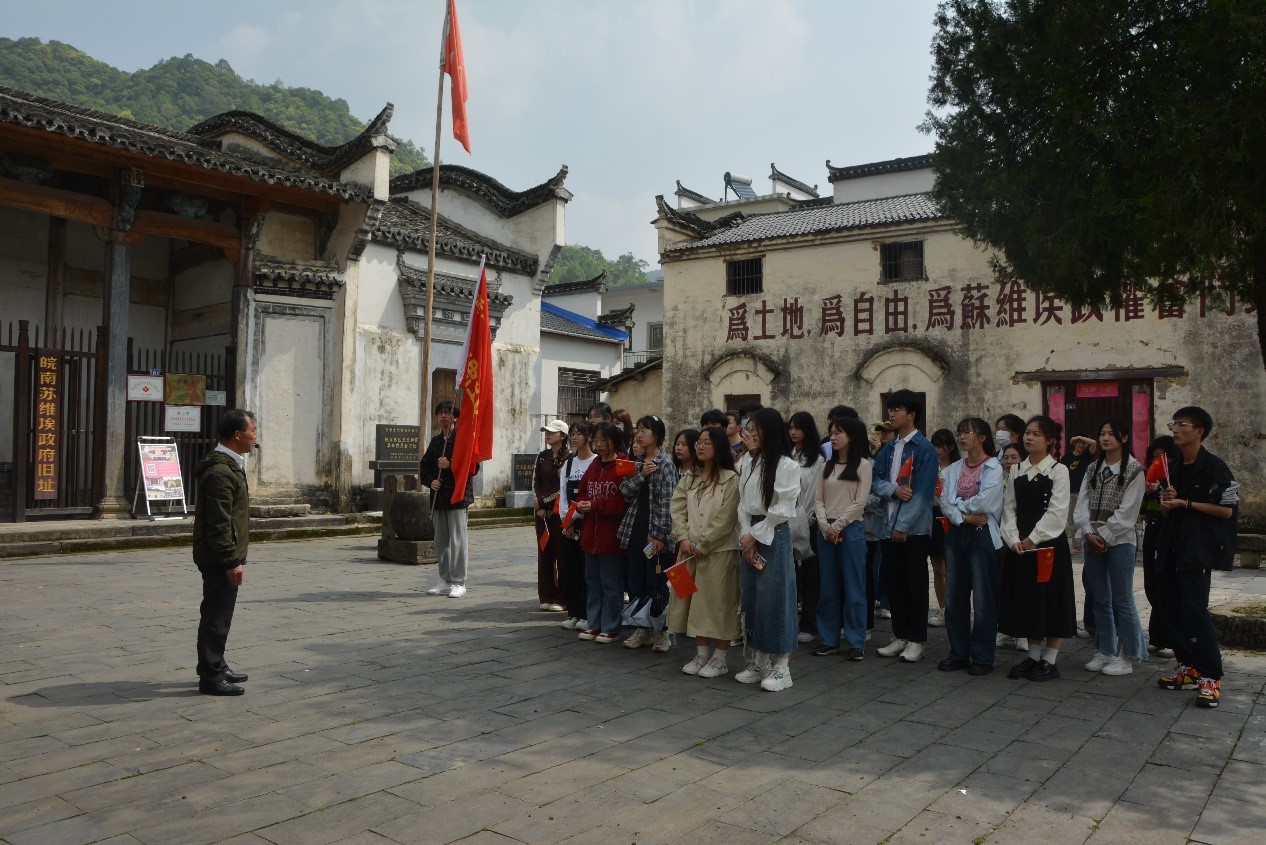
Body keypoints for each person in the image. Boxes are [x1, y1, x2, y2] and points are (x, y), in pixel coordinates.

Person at [1154, 407, 1238, 709]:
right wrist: (1167, 501)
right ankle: (1188, 667)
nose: (1175, 429)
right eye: (1173, 424)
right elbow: (1166, 509)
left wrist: (1187, 503)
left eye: (1182, 424)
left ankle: (1211, 676)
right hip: (1171, 546)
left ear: (1199, 431)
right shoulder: (1174, 467)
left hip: (1198, 549)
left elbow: (1226, 510)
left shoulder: (1215, 467)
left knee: (1194, 612)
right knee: (1168, 607)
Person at [999, 415, 1075, 681]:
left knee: (1052, 600)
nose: (1029, 438)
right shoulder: (1017, 469)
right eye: (1028, 433)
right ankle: (1032, 655)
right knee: (1028, 598)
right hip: (1021, 546)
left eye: (1036, 434)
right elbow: (1009, 508)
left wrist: (1033, 539)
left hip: (1047, 546)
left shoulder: (1058, 470)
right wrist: (1012, 539)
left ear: (1050, 440)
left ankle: (1049, 659)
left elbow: (1057, 512)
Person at [1074, 418, 1147, 676]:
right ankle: (1105, 649)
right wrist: (1087, 532)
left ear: (1124, 438)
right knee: (1100, 598)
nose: (1105, 438)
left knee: (1122, 599)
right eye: (1102, 434)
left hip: (1120, 541)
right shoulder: (1093, 467)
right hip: (1093, 538)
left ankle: (1127, 655)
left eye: (1111, 434)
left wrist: (1101, 535)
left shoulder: (1135, 471)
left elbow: (1128, 513)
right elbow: (1081, 504)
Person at [735, 408, 801, 691]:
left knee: (776, 596)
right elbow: (742, 504)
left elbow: (784, 508)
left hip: (773, 532)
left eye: (754, 429)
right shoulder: (748, 462)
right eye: (747, 429)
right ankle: (759, 661)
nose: (748, 434)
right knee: (754, 596)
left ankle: (782, 667)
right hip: (752, 531)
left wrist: (755, 535)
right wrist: (746, 534)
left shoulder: (787, 465)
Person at [192, 409, 256, 696]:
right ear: (237, 434)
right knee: (216, 616)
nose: (255, 437)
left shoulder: (230, 466)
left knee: (221, 614)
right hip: (219, 557)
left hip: (224, 554)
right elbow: (220, 522)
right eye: (253, 430)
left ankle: (217, 664)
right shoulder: (220, 471)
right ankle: (211, 676)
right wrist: (231, 559)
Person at [871, 390, 938, 664]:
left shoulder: (924, 449)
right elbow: (875, 481)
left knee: (915, 585)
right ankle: (900, 635)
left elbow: (922, 493)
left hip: (913, 530)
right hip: (886, 526)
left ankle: (916, 640)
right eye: (890, 409)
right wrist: (893, 490)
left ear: (912, 414)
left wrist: (903, 525)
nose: (891, 413)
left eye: (897, 409)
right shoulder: (888, 449)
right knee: (894, 583)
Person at [671, 426, 741, 678]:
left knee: (719, 603)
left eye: (706, 443)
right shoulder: (690, 477)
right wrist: (682, 537)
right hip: (689, 550)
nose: (700, 447)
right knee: (693, 602)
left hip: (719, 551)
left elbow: (726, 517)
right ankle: (701, 653)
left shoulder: (731, 479)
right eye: (698, 442)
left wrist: (705, 543)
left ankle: (720, 658)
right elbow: (677, 508)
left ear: (719, 447)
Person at [937, 417, 1005, 675]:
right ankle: (958, 653)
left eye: (968, 432)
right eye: (960, 432)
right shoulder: (952, 469)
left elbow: (985, 503)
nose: (962, 437)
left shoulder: (993, 468)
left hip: (982, 535)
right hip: (957, 533)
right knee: (954, 597)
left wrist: (959, 508)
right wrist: (962, 517)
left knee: (984, 599)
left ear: (982, 437)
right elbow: (944, 500)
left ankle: (983, 657)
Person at [812, 415, 873, 661]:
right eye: (832, 433)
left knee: (854, 588)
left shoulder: (863, 465)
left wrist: (837, 526)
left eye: (838, 433)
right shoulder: (826, 465)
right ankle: (829, 639)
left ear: (852, 436)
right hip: (826, 530)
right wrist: (825, 525)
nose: (833, 437)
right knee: (828, 588)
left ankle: (856, 641)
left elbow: (860, 502)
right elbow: (818, 499)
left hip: (850, 529)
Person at [618, 415, 678, 653]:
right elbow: (625, 492)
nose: (639, 434)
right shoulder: (637, 463)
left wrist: (660, 536)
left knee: (657, 584)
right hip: (635, 533)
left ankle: (662, 632)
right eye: (638, 430)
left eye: (645, 430)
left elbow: (668, 503)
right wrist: (642, 475)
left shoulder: (665, 464)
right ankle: (642, 628)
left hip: (655, 538)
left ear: (658, 436)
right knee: (636, 582)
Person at [576, 422, 630, 644]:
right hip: (591, 536)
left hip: (612, 536)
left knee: (611, 584)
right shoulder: (595, 465)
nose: (598, 444)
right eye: (596, 439)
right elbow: (582, 490)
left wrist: (595, 505)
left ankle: (611, 627)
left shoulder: (624, 464)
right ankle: (594, 624)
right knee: (593, 582)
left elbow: (623, 500)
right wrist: (582, 503)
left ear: (614, 441)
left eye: (603, 440)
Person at [421, 400, 479, 598]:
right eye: (440, 413)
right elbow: (424, 467)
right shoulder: (436, 442)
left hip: (458, 497)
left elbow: (473, 467)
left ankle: (459, 581)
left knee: (458, 540)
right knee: (441, 541)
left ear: (455, 417)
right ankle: (444, 579)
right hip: (439, 498)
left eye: (447, 413)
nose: (443, 416)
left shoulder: (463, 440)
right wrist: (430, 482)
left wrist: (451, 463)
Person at [787, 411, 824, 645]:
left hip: (808, 521)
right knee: (789, 575)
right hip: (785, 519)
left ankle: (810, 624)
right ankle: (789, 621)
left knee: (810, 576)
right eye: (791, 427)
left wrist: (805, 519)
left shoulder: (817, 460)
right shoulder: (787, 455)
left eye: (798, 428)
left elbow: (813, 494)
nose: (793, 432)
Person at [558, 421, 596, 631]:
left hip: (588, 521)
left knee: (586, 569)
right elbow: (563, 494)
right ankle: (573, 611)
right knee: (570, 568)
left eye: (579, 434)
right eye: (572, 433)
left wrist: (577, 516)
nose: (574, 437)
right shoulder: (569, 463)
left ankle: (586, 613)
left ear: (589, 437)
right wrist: (567, 521)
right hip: (569, 524)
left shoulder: (595, 462)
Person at [1141, 435, 1177, 657]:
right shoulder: (1150, 478)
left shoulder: (1177, 476)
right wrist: (1148, 492)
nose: (1160, 462)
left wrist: (1160, 489)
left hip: (1169, 531)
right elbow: (1142, 508)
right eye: (1155, 458)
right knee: (1152, 584)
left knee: (1167, 585)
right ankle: (1157, 636)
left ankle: (1171, 638)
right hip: (1152, 529)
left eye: (1164, 457)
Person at [533, 420, 571, 612]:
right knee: (545, 553)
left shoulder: (569, 457)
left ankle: (562, 597)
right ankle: (546, 594)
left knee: (561, 553)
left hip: (559, 511)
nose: (548, 434)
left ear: (562, 436)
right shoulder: (542, 456)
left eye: (552, 432)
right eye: (546, 431)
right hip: (541, 512)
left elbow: (563, 487)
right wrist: (539, 504)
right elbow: (537, 481)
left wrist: (544, 502)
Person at [995, 440, 1029, 653]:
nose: (1008, 461)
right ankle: (1005, 628)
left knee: (1022, 586)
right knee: (1003, 586)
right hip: (1000, 539)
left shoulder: (1026, 479)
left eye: (1013, 457)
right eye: (1005, 458)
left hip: (1021, 538)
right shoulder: (997, 479)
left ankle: (1023, 632)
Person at [927, 428, 960, 627]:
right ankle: (942, 608)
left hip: (952, 517)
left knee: (951, 567)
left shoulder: (958, 468)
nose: (938, 450)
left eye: (941, 446)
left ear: (950, 447)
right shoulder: (930, 467)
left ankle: (954, 608)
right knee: (937, 567)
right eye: (935, 445)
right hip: (933, 515)